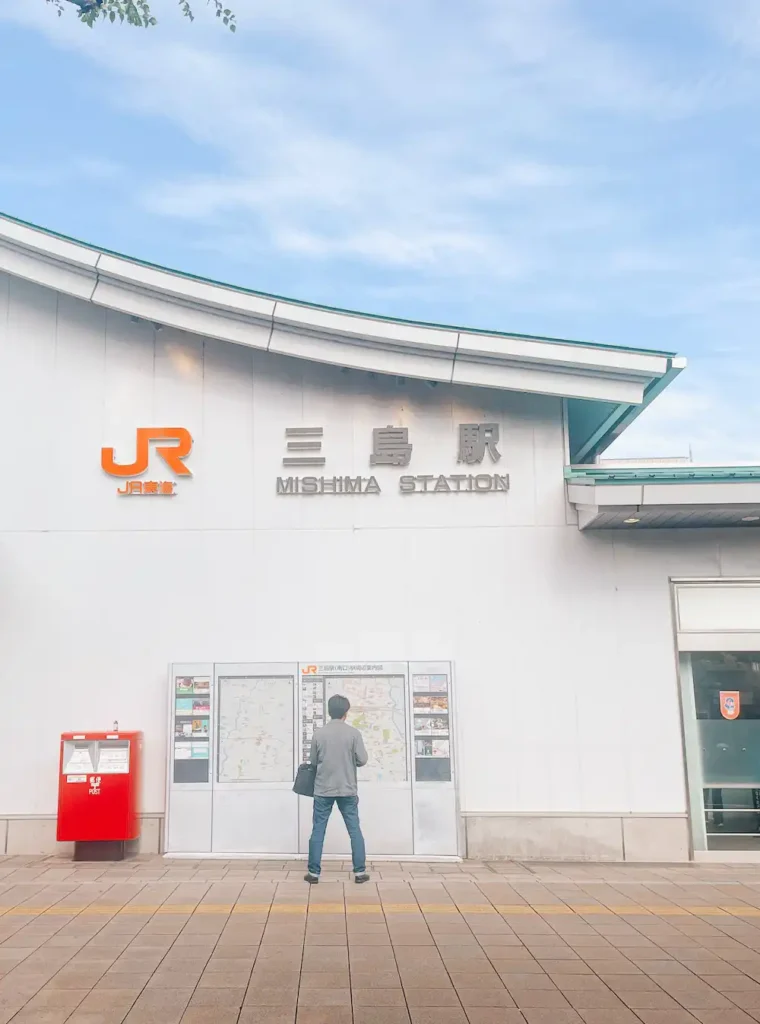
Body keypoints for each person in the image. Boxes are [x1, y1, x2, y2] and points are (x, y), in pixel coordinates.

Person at [305, 693, 369, 884]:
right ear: (346, 713)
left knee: (318, 830)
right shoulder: (353, 734)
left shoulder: (319, 734)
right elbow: (362, 759)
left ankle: (314, 874)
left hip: (323, 789)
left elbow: (314, 761)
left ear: (329, 711)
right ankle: (359, 873)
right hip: (347, 789)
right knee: (354, 830)